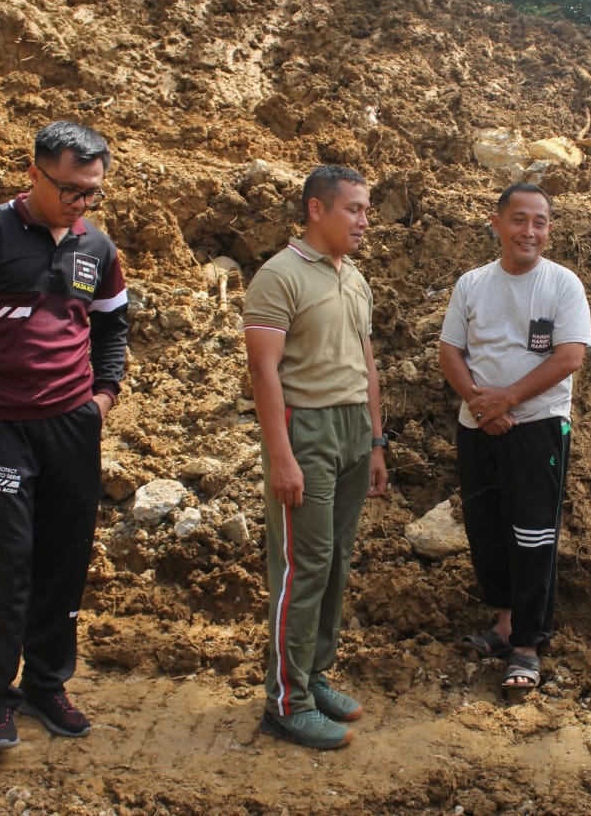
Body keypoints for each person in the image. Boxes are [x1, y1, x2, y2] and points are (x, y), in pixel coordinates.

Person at [0, 121, 128, 750]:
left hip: (72, 425)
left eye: (92, 192)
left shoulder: (94, 246)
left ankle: (48, 684)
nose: (81, 203)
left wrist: (102, 397)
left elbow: (112, 329)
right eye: (70, 189)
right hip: (0, 430)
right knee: (6, 561)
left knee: (64, 558)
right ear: (33, 170)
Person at [242, 165, 388, 750]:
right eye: (353, 208)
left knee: (334, 562)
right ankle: (286, 701)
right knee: (303, 568)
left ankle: (314, 675)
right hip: (305, 431)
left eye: (366, 210)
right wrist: (282, 457)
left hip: (354, 430)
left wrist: (376, 441)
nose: (363, 220)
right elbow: (263, 371)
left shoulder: (353, 277)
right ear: (316, 210)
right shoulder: (279, 277)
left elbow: (367, 362)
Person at [439, 183, 591, 691]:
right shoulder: (472, 284)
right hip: (478, 427)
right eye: (520, 220)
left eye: (541, 222)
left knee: (532, 535)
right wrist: (482, 407)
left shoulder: (562, 284)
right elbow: (450, 353)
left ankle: (528, 644)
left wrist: (506, 400)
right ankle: (503, 626)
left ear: (549, 229)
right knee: (487, 529)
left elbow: (569, 356)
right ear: (497, 224)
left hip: (539, 427)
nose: (530, 231)